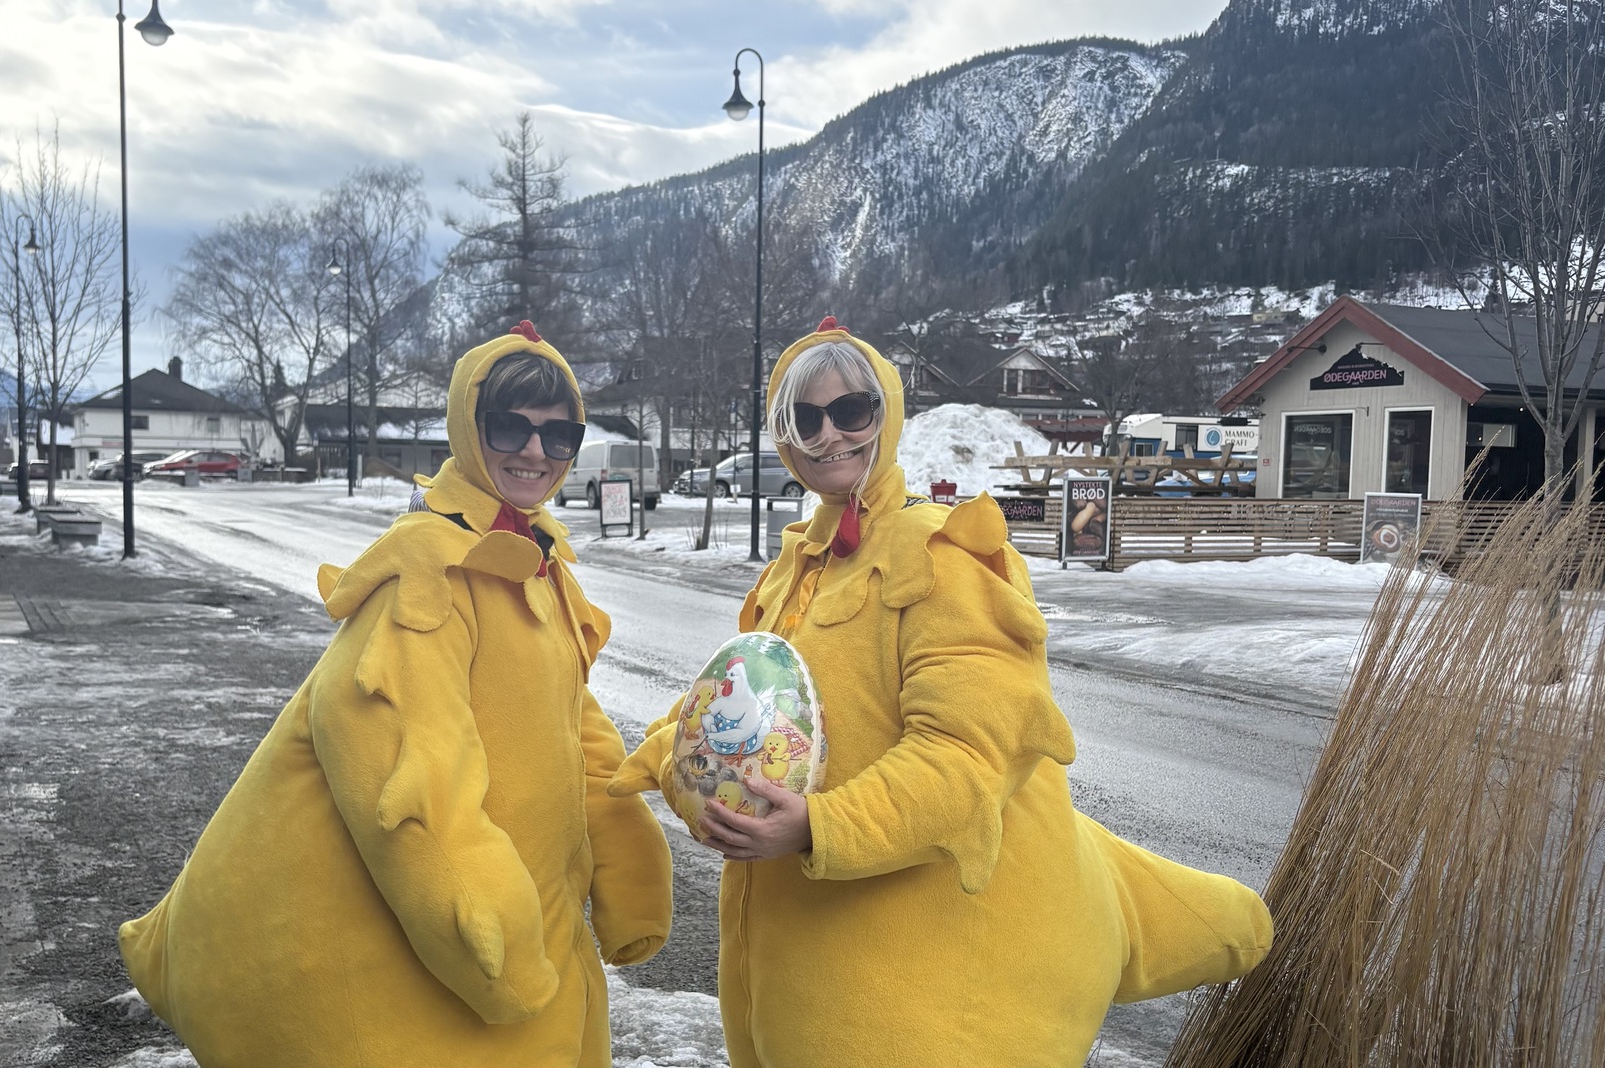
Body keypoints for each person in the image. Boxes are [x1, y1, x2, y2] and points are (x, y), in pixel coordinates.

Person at [612, 317, 1271, 1067]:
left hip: (922, 1006)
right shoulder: (794, 567)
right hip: (792, 984)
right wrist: (674, 757)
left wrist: (820, 828)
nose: (830, 435)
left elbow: (967, 755)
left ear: (885, 416)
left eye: (852, 411)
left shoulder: (943, 552)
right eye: (806, 416)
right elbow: (742, 701)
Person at [119, 321, 673, 1067]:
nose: (535, 452)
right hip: (439, 983)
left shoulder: (538, 567)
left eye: (559, 434)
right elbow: (408, 781)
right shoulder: (429, 575)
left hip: (543, 943)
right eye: (510, 426)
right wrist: (498, 951)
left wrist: (627, 868)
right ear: (467, 430)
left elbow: (576, 724)